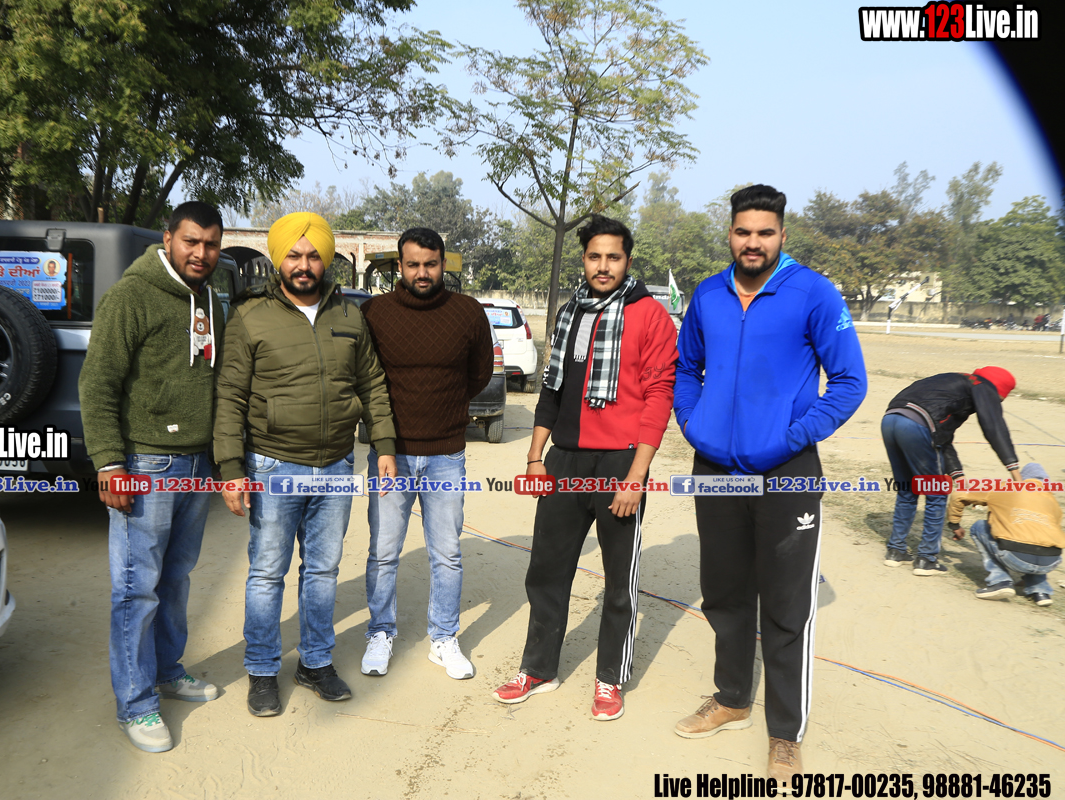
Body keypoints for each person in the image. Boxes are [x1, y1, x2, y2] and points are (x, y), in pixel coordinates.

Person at [672, 185, 867, 779]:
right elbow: (686, 369)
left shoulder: (812, 292)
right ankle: (732, 698)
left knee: (784, 605)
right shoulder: (708, 294)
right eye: (742, 231)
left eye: (764, 232)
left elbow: (849, 382)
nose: (752, 242)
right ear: (730, 234)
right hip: (716, 471)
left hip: (786, 474)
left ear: (782, 234)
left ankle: (785, 732)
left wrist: (790, 437)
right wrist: (695, 425)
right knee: (724, 593)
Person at [491, 215, 677, 721]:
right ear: (584, 259)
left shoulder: (650, 316)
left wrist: (636, 477)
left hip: (620, 465)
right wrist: (535, 458)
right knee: (545, 572)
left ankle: (609, 678)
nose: (603, 266)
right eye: (595, 256)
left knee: (618, 582)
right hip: (564, 462)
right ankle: (538, 669)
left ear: (628, 261)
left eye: (613, 257)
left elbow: (659, 397)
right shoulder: (571, 311)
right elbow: (551, 391)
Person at [214, 212, 397, 718]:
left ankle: (315, 663)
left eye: (314, 255)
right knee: (267, 573)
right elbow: (229, 395)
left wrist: (384, 445)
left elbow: (372, 384)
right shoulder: (251, 316)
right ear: (279, 259)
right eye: (293, 255)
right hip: (273, 466)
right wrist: (230, 467)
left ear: (326, 259)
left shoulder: (349, 316)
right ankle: (262, 670)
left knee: (322, 571)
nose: (303, 264)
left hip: (336, 465)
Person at [78, 201, 226, 753]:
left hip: (196, 464)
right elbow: (97, 384)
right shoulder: (131, 296)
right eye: (191, 241)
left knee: (176, 578)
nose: (201, 253)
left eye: (211, 244)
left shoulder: (209, 299)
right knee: (136, 588)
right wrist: (109, 463)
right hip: (145, 464)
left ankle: (166, 671)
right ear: (168, 239)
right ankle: (136, 704)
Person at [358, 227, 494, 680]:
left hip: (445, 455)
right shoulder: (375, 313)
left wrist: (446, 409)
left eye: (430, 264)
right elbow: (365, 379)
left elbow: (478, 375)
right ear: (400, 266)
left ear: (443, 265)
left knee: (447, 553)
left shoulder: (468, 313)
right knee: (383, 552)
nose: (422, 272)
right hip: (390, 456)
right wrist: (385, 439)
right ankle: (380, 632)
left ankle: (444, 638)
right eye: (413, 264)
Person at [881, 366, 1019, 574]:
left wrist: (958, 475)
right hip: (917, 425)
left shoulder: (952, 384)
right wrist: (1015, 472)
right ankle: (927, 559)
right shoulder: (982, 385)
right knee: (937, 493)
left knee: (907, 490)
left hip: (891, 420)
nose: (994, 403)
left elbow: (942, 436)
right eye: (997, 400)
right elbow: (994, 425)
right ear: (995, 391)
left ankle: (896, 550)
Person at [947, 463, 1062, 606]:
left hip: (1016, 557)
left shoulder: (1006, 487)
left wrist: (954, 524)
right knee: (1040, 534)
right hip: (1051, 562)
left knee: (979, 526)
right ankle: (1040, 590)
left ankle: (1000, 581)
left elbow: (959, 494)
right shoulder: (1053, 502)